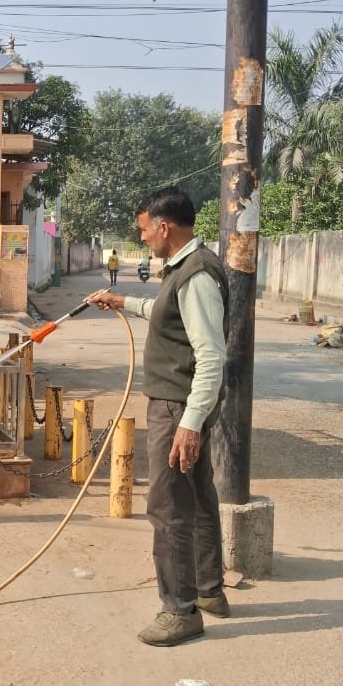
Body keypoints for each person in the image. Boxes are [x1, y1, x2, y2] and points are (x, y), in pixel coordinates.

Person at [87, 186, 229, 646]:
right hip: (183, 404)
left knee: (168, 508)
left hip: (178, 407)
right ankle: (209, 590)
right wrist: (122, 302)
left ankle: (179, 611)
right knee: (199, 497)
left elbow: (211, 355)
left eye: (145, 229)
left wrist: (189, 423)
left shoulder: (196, 274)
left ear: (164, 227)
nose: (143, 237)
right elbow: (168, 314)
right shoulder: (185, 269)